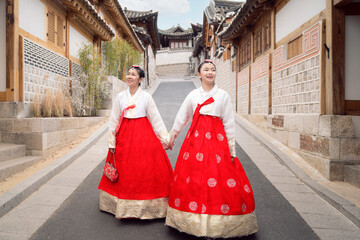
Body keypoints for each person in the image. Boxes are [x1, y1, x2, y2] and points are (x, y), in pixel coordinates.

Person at [165, 60, 258, 238]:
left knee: (218, 177)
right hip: (195, 142)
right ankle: (193, 221)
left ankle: (218, 221)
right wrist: (172, 136)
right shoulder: (193, 95)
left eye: (213, 70)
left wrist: (231, 149)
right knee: (195, 178)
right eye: (206, 70)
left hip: (217, 141)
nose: (210, 72)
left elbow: (229, 122)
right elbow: (182, 118)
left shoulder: (223, 95)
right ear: (199, 74)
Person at [98, 65, 173, 219]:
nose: (130, 76)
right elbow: (114, 119)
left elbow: (156, 119)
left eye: (133, 75)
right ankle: (121, 203)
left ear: (141, 79)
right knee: (125, 168)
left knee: (144, 169)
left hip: (143, 136)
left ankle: (148, 206)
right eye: (128, 74)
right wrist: (112, 141)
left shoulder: (146, 97)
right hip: (124, 136)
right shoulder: (120, 97)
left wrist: (166, 138)